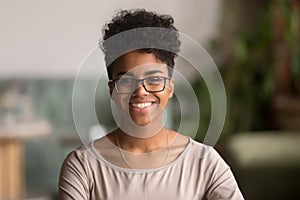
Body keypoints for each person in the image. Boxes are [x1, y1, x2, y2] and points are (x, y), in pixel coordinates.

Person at [59, 9, 244, 200]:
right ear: (112, 89)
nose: (141, 91)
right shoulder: (82, 166)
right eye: (126, 80)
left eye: (154, 79)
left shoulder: (205, 163)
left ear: (170, 87)